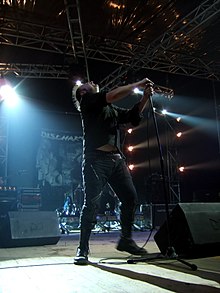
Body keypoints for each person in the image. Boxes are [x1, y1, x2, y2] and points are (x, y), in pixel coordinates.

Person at [72, 78, 154, 265]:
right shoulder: (88, 102)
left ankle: (126, 240)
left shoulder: (111, 110)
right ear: (83, 94)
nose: (88, 85)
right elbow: (113, 95)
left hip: (116, 160)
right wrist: (137, 84)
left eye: (88, 85)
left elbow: (133, 117)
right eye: (83, 88)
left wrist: (145, 99)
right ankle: (82, 249)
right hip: (95, 159)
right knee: (91, 203)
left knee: (130, 198)